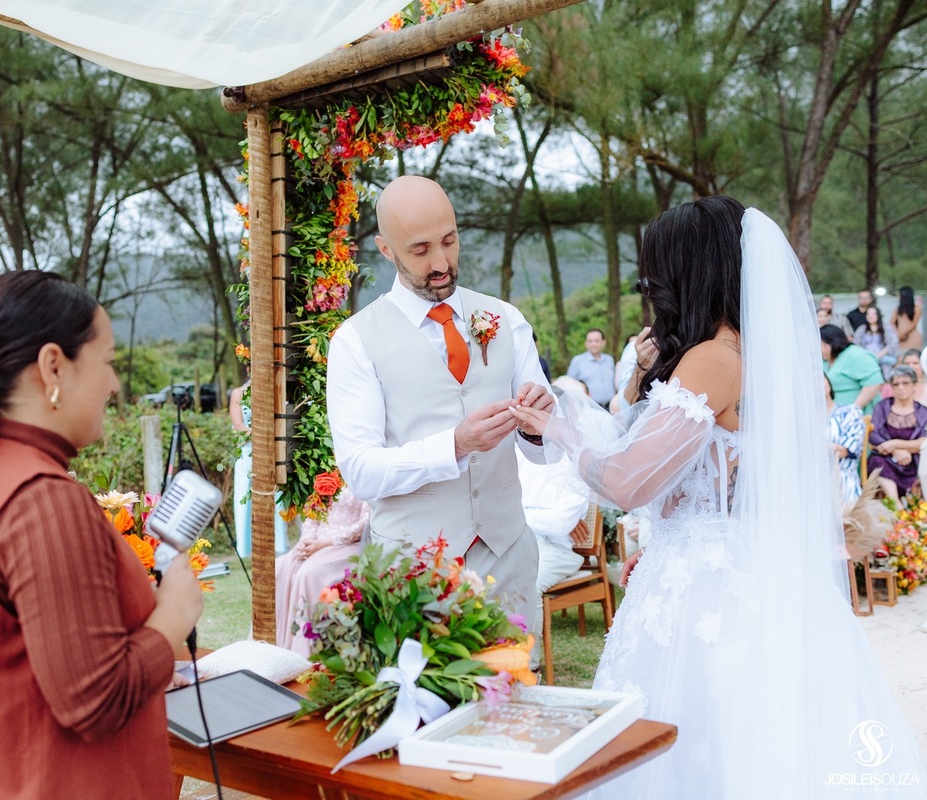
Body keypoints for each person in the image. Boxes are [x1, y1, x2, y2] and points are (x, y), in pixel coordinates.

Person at [511, 197, 924, 797]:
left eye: (659, 273)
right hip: (749, 565)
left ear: (691, 270)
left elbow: (629, 481)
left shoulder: (711, 359)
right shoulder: (756, 354)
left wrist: (558, 428)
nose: (653, 289)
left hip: (705, 589)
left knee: (695, 751)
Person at [0, 272, 203, 799]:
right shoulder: (43, 500)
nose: (114, 384)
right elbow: (95, 701)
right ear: (53, 366)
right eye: (107, 361)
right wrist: (173, 618)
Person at [325, 175, 555, 630]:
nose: (441, 262)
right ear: (386, 249)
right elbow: (361, 471)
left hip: (508, 558)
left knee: (515, 676)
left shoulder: (505, 319)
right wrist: (455, 445)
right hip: (411, 571)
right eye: (420, 250)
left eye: (449, 241)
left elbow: (548, 449)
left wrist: (538, 427)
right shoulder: (355, 341)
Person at [515, 447, 588, 673]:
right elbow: (496, 507)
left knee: (529, 583)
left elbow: (560, 524)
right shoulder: (516, 453)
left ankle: (528, 668)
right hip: (514, 542)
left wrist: (519, 513)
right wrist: (544, 518)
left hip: (557, 549)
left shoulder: (577, 461)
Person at [273, 486, 370, 657]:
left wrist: (324, 543)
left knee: (306, 574)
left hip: (345, 546)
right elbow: (312, 515)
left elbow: (365, 523)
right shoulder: (327, 475)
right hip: (315, 544)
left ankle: (303, 649)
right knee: (278, 567)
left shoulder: (363, 480)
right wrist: (306, 541)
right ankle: (276, 641)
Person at [229, 376, 288, 558]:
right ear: (248, 369)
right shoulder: (238, 393)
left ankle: (279, 543)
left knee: (276, 494)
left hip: (271, 449)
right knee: (243, 494)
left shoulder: (273, 390)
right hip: (247, 450)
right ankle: (244, 546)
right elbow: (238, 426)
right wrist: (261, 433)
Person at [867, 365, 927, 503]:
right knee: (877, 462)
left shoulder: (923, 412)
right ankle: (896, 506)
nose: (901, 387)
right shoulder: (882, 407)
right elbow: (874, 435)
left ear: (914, 385)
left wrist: (896, 444)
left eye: (905, 383)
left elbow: (923, 441)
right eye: (896, 384)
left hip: (913, 460)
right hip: (887, 458)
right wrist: (895, 452)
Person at [821, 324, 884, 415]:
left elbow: (874, 382)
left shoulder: (856, 355)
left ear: (829, 343)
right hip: (834, 415)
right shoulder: (825, 361)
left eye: (820, 344)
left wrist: (854, 409)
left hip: (859, 416)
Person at [825, 374, 865, 504]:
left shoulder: (849, 412)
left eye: (821, 379)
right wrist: (830, 448)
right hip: (811, 478)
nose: (818, 384)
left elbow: (846, 450)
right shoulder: (804, 419)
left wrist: (821, 449)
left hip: (843, 476)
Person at [565, 328, 616, 408]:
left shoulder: (609, 359)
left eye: (597, 341)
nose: (594, 344)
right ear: (586, 343)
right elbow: (569, 384)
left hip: (611, 407)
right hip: (590, 408)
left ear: (603, 342)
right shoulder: (578, 361)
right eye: (590, 341)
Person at [852, 305, 898, 373]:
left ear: (878, 315)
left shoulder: (887, 327)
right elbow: (856, 344)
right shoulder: (861, 329)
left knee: (891, 361)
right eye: (868, 314)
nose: (871, 316)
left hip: (883, 357)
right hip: (866, 357)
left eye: (873, 313)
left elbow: (893, 343)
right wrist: (867, 355)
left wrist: (878, 355)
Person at [891, 285, 923, 352]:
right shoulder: (898, 309)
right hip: (900, 339)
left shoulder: (916, 308)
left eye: (899, 294)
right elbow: (892, 322)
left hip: (913, 337)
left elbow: (914, 324)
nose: (898, 296)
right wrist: (897, 334)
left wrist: (903, 334)